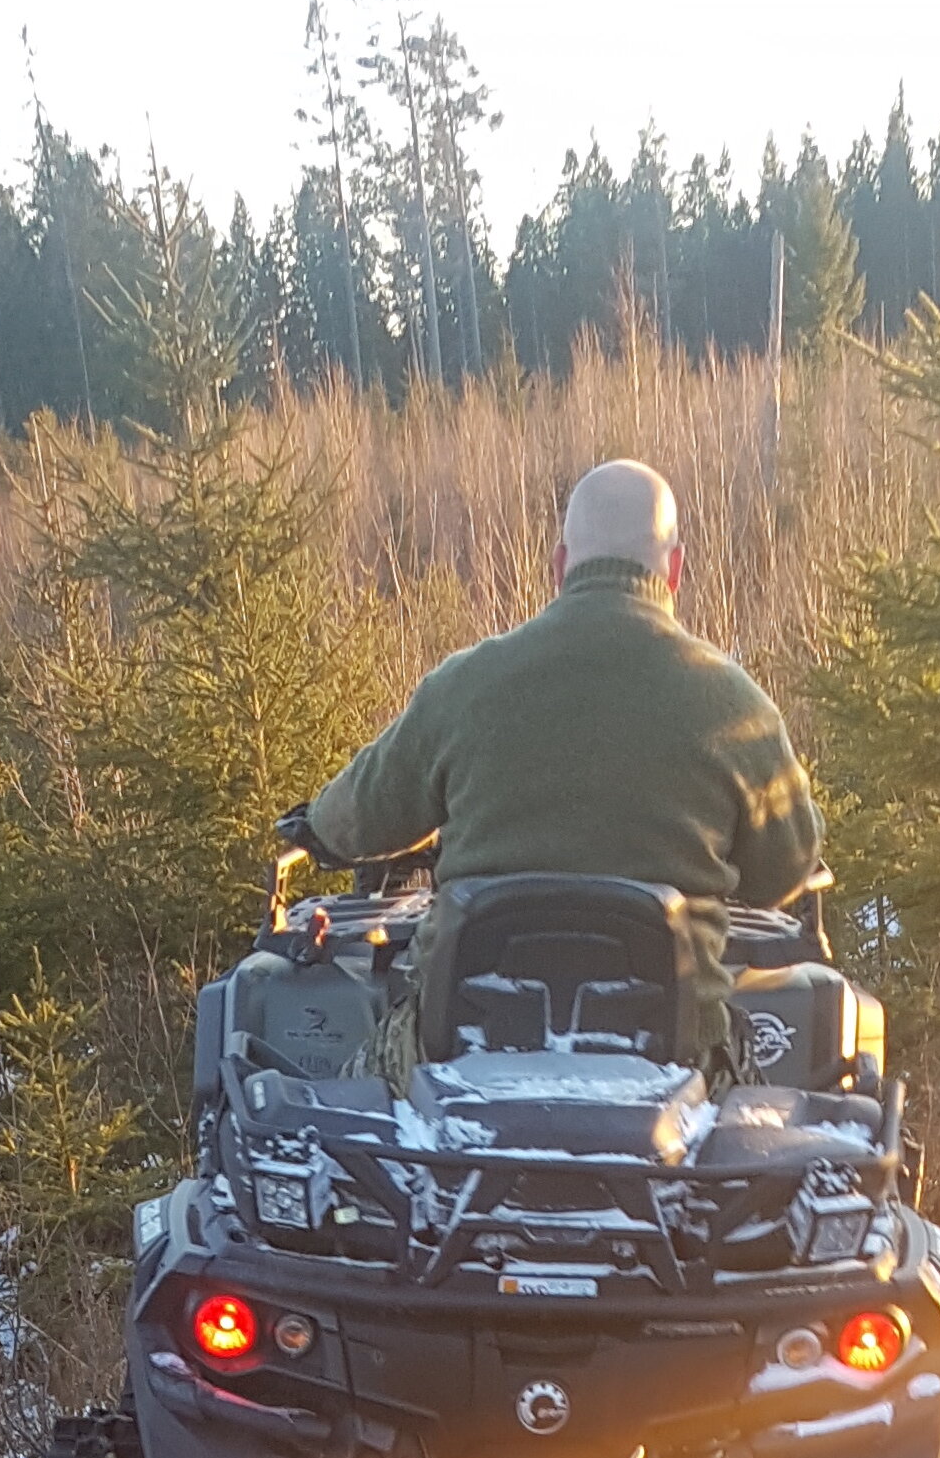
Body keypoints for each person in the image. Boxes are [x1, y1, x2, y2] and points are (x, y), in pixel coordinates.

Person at [286, 457, 821, 1085]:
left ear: (561, 566)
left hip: (459, 1048)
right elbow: (784, 870)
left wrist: (314, 830)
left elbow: (360, 816)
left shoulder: (467, 686)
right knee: (767, 1116)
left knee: (336, 1112)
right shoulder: (737, 708)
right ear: (673, 570)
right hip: (673, 1060)